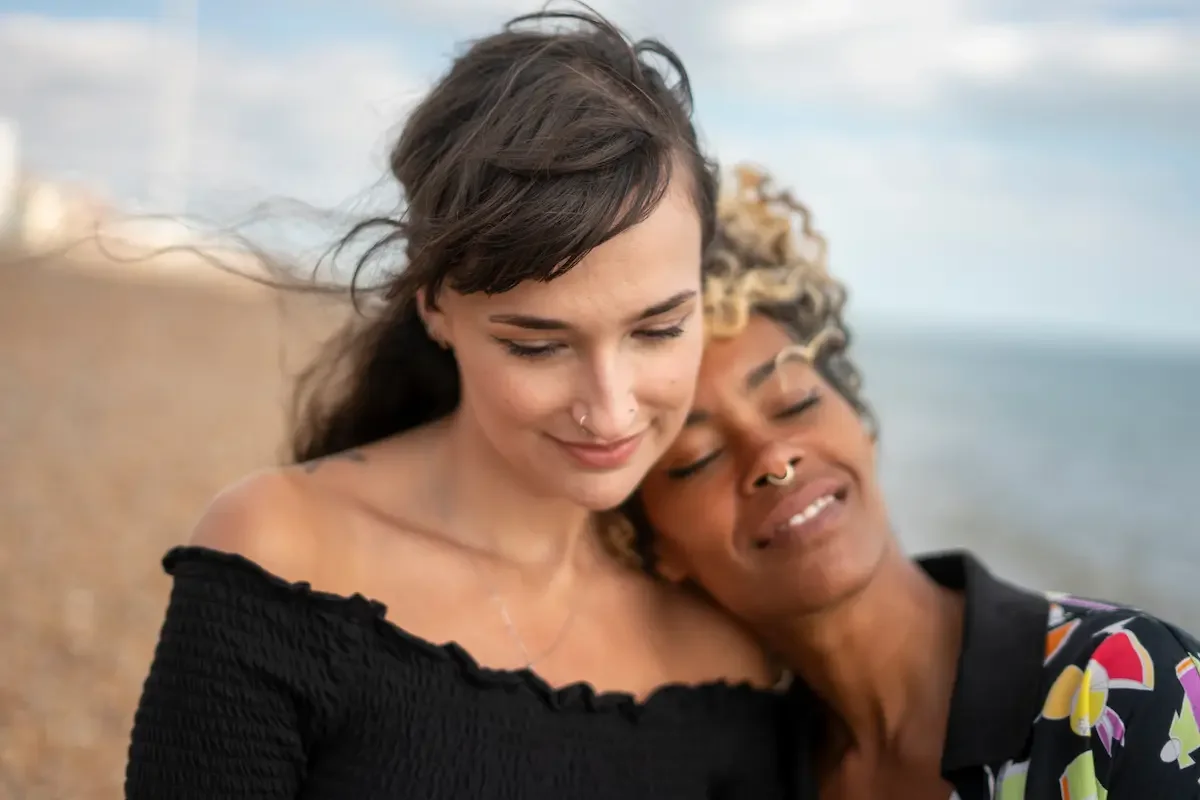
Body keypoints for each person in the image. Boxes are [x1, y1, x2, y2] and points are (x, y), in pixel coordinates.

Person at [124, 12, 802, 800]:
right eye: (538, 345)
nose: (610, 407)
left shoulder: (727, 642)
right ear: (434, 306)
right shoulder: (279, 553)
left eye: (659, 329)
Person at [628, 165, 1200, 800]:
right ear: (655, 547)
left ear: (862, 427)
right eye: (697, 458)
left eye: (795, 404)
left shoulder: (1124, 686)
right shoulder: (731, 773)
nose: (774, 458)